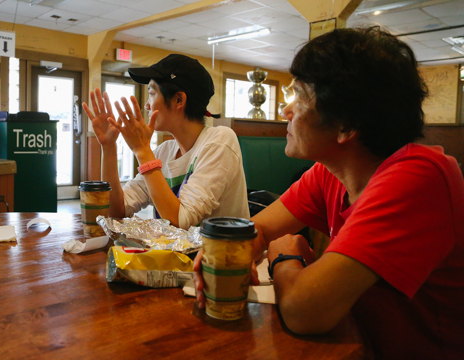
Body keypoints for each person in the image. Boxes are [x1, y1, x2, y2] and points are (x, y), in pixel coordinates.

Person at [192, 27, 464, 359]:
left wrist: (285, 256)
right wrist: (226, 254)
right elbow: (256, 231)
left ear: (347, 124)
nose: (285, 112)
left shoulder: (421, 177)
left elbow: (303, 311)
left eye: (299, 96)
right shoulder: (330, 171)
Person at [83, 54, 249, 230]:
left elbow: (181, 221)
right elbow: (117, 210)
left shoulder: (220, 141)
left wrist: (142, 151)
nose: (146, 105)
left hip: (219, 256)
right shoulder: (165, 151)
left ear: (179, 100)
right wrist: (108, 147)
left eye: (152, 94)